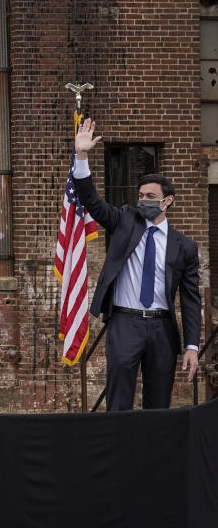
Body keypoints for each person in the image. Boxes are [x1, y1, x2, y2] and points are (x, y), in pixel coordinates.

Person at [73, 118, 200, 410]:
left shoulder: (185, 247)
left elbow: (191, 300)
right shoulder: (125, 221)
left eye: (150, 197)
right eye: (141, 196)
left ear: (167, 201)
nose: (143, 201)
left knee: (158, 406)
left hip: (162, 329)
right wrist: (82, 155)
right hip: (124, 323)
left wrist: (192, 346)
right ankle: (118, 454)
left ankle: (153, 456)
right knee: (118, 402)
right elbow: (91, 200)